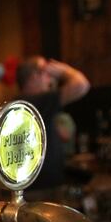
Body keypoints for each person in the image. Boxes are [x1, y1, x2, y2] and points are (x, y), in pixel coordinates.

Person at [16, 56, 90, 200]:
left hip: (31, 187)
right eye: (46, 73)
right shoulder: (37, 101)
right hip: (43, 190)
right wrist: (64, 71)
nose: (50, 80)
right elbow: (81, 85)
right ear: (34, 76)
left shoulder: (21, 103)